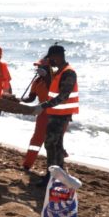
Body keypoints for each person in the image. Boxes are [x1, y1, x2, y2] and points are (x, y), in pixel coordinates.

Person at [32, 44, 78, 178]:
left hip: (61, 115)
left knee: (51, 144)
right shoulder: (60, 71)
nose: (50, 60)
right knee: (56, 145)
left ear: (57, 56)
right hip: (55, 113)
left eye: (51, 58)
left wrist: (44, 105)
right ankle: (57, 174)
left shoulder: (68, 72)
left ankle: (50, 176)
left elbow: (64, 96)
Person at [21, 58, 59, 171]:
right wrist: (21, 100)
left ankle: (53, 169)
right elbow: (31, 97)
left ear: (48, 69)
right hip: (43, 114)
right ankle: (27, 164)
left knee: (54, 142)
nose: (38, 69)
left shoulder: (55, 80)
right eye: (38, 67)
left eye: (41, 67)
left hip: (56, 115)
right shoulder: (37, 81)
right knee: (36, 140)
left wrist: (48, 75)